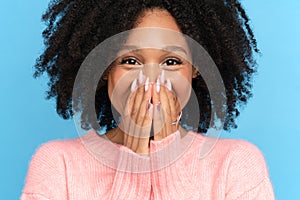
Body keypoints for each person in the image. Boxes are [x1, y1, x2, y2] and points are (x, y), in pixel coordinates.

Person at [21, 0, 275, 199]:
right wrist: (132, 164)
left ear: (195, 68)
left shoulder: (237, 164)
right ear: (107, 68)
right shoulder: (58, 164)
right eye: (130, 61)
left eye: (172, 61)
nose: (151, 79)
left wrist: (167, 155)